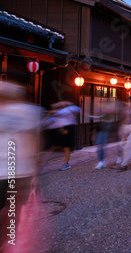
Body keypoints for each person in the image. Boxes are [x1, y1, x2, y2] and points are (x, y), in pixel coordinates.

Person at [0, 82, 43, 251]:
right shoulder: (29, 112)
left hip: (7, 170)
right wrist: (36, 169)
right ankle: (8, 243)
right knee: (13, 212)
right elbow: (37, 142)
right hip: (19, 170)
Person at [44, 101, 80, 171]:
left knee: (66, 147)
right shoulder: (59, 111)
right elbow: (52, 119)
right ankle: (45, 162)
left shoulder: (70, 109)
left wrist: (65, 104)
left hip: (67, 129)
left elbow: (77, 109)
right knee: (53, 145)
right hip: (59, 130)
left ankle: (66, 163)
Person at [90, 99, 115, 169]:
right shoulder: (103, 112)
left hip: (107, 128)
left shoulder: (111, 110)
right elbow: (97, 113)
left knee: (101, 145)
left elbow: (111, 111)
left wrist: (102, 111)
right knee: (99, 145)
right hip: (101, 127)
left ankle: (101, 161)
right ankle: (102, 161)